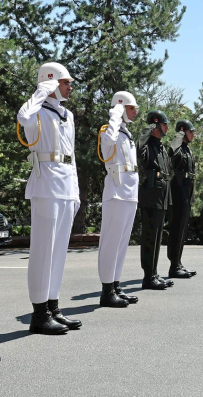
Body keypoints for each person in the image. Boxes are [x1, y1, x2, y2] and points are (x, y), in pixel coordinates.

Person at [17, 62, 82, 334]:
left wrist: (76, 191)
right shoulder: (36, 112)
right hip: (45, 184)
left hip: (65, 184)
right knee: (43, 251)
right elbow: (23, 118)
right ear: (51, 82)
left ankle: (53, 307)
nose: (69, 87)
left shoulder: (67, 115)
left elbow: (71, 156)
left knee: (58, 252)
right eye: (65, 82)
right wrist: (41, 91)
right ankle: (39, 314)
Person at [96, 91, 141, 308]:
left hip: (129, 192)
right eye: (131, 108)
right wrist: (114, 116)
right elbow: (107, 142)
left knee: (122, 243)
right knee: (111, 243)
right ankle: (106, 291)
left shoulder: (126, 134)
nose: (135, 112)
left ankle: (115, 285)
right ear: (121, 108)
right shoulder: (110, 131)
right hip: (116, 191)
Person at [137, 110, 173, 290]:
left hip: (161, 195)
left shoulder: (160, 146)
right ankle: (148, 276)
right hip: (150, 195)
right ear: (155, 125)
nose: (167, 128)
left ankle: (154, 273)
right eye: (164, 124)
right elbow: (139, 152)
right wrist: (147, 130)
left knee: (157, 237)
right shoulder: (147, 144)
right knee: (150, 237)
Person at [167, 120, 198, 279]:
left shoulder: (187, 149)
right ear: (182, 132)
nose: (193, 135)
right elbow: (172, 152)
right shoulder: (178, 149)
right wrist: (178, 135)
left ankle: (178, 263)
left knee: (183, 229)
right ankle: (174, 266)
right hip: (178, 190)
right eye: (190, 131)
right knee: (177, 228)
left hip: (187, 190)